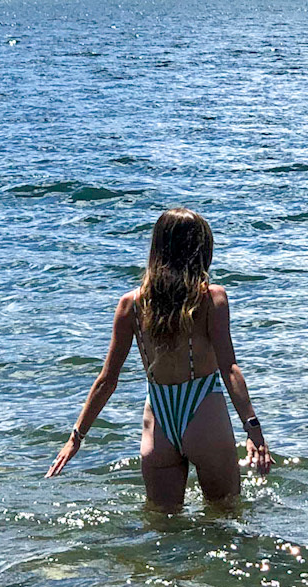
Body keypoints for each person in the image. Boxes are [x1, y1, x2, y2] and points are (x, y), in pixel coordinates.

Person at [46, 207, 272, 510]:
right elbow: (229, 368)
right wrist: (253, 430)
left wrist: (76, 437)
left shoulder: (131, 305)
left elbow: (106, 380)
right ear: (201, 251)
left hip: (158, 422)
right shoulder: (212, 299)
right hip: (204, 412)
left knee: (161, 530)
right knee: (226, 519)